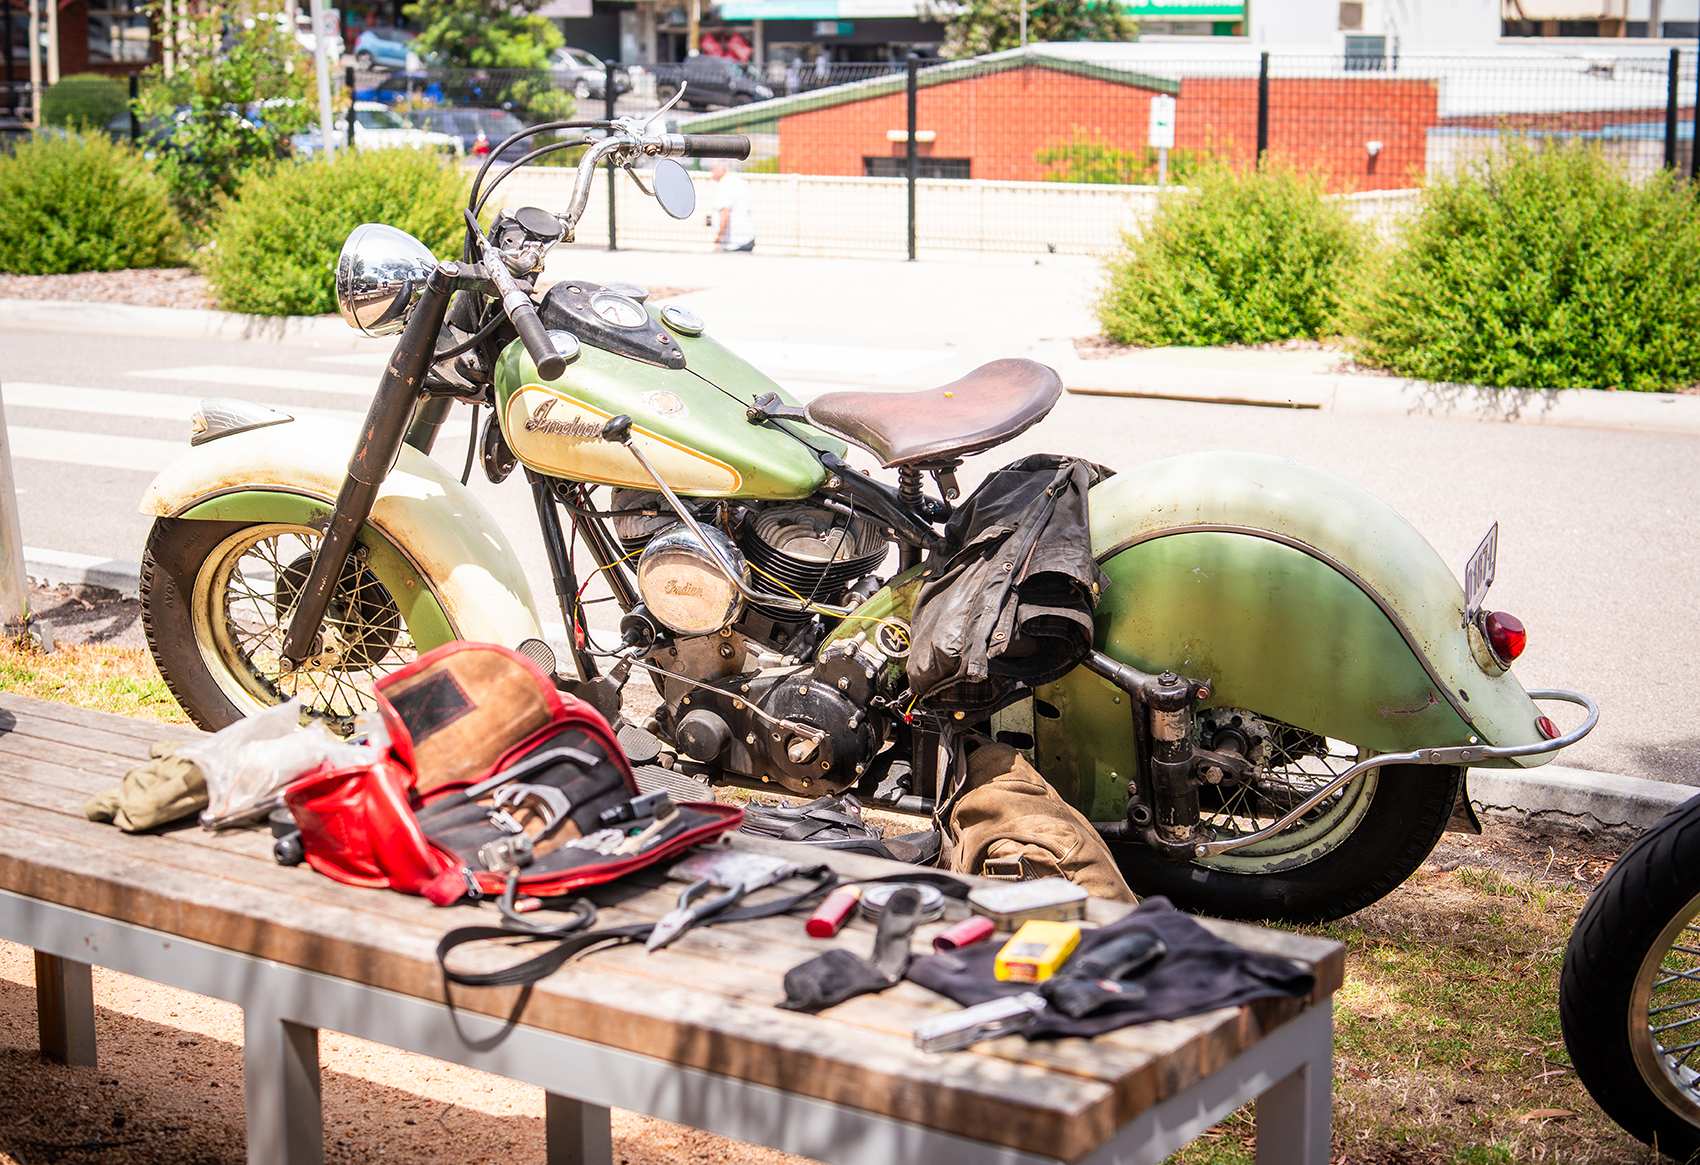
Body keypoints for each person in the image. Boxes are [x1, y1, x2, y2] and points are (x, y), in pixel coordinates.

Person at [709, 159, 755, 253]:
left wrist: (718, 238)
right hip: (746, 238)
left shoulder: (725, 183)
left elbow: (725, 212)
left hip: (734, 242)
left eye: (714, 169)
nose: (711, 172)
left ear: (722, 168)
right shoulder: (740, 181)